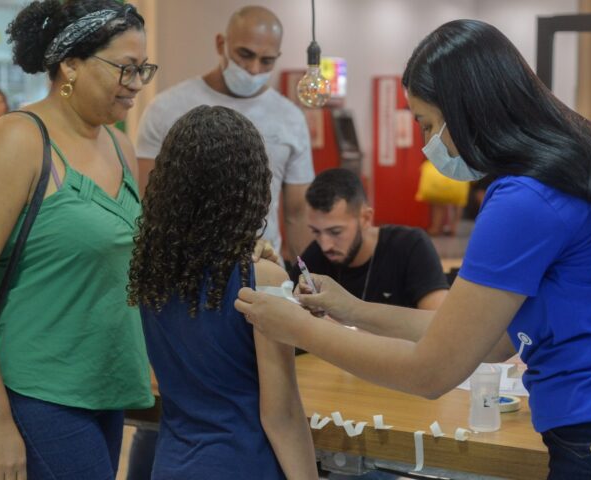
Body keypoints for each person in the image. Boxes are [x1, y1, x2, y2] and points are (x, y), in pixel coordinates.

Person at [236, 19, 591, 480]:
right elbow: (488, 338)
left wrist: (299, 328)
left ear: (470, 110)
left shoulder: (526, 197)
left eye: (429, 124)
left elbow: (432, 371)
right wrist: (351, 310)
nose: (427, 145)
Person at [0, 1, 156, 478]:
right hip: (36, 393)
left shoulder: (119, 143)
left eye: (144, 70)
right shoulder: (16, 140)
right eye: (125, 69)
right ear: (70, 63)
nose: (137, 84)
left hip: (107, 385)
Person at [127, 105, 317, 479]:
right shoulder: (260, 279)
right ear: (251, 188)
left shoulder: (153, 271)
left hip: (173, 462)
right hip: (244, 463)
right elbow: (281, 414)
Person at [136, 5, 313, 259]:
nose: (253, 68)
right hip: (184, 267)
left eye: (267, 61)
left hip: (262, 269)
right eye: (245, 54)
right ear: (221, 44)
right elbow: (148, 202)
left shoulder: (291, 119)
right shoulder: (167, 108)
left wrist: (304, 280)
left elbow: (297, 214)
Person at [299, 168, 448, 311]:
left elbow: (438, 324)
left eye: (336, 232)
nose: (325, 245)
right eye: (316, 232)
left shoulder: (410, 246)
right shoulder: (313, 258)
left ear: (365, 218)